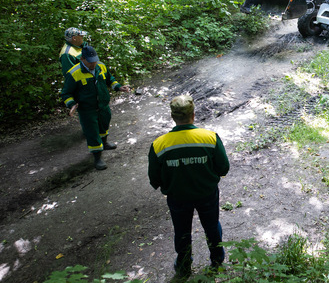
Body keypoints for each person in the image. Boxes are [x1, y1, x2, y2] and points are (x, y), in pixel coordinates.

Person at [148, 95, 230, 280]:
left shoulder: (159, 145)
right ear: (193, 114)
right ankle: (217, 260)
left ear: (173, 116)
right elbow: (223, 167)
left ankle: (184, 266)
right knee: (211, 226)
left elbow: (154, 178)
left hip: (177, 197)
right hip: (206, 193)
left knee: (182, 231)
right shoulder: (209, 138)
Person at [61, 45, 131, 170]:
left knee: (104, 125)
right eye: (90, 61)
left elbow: (110, 79)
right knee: (92, 132)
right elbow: (66, 93)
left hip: (103, 105)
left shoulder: (101, 66)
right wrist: (71, 104)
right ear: (82, 59)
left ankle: (104, 143)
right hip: (87, 110)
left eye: (95, 60)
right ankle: (97, 157)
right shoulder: (74, 73)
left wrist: (119, 87)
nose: (93, 64)